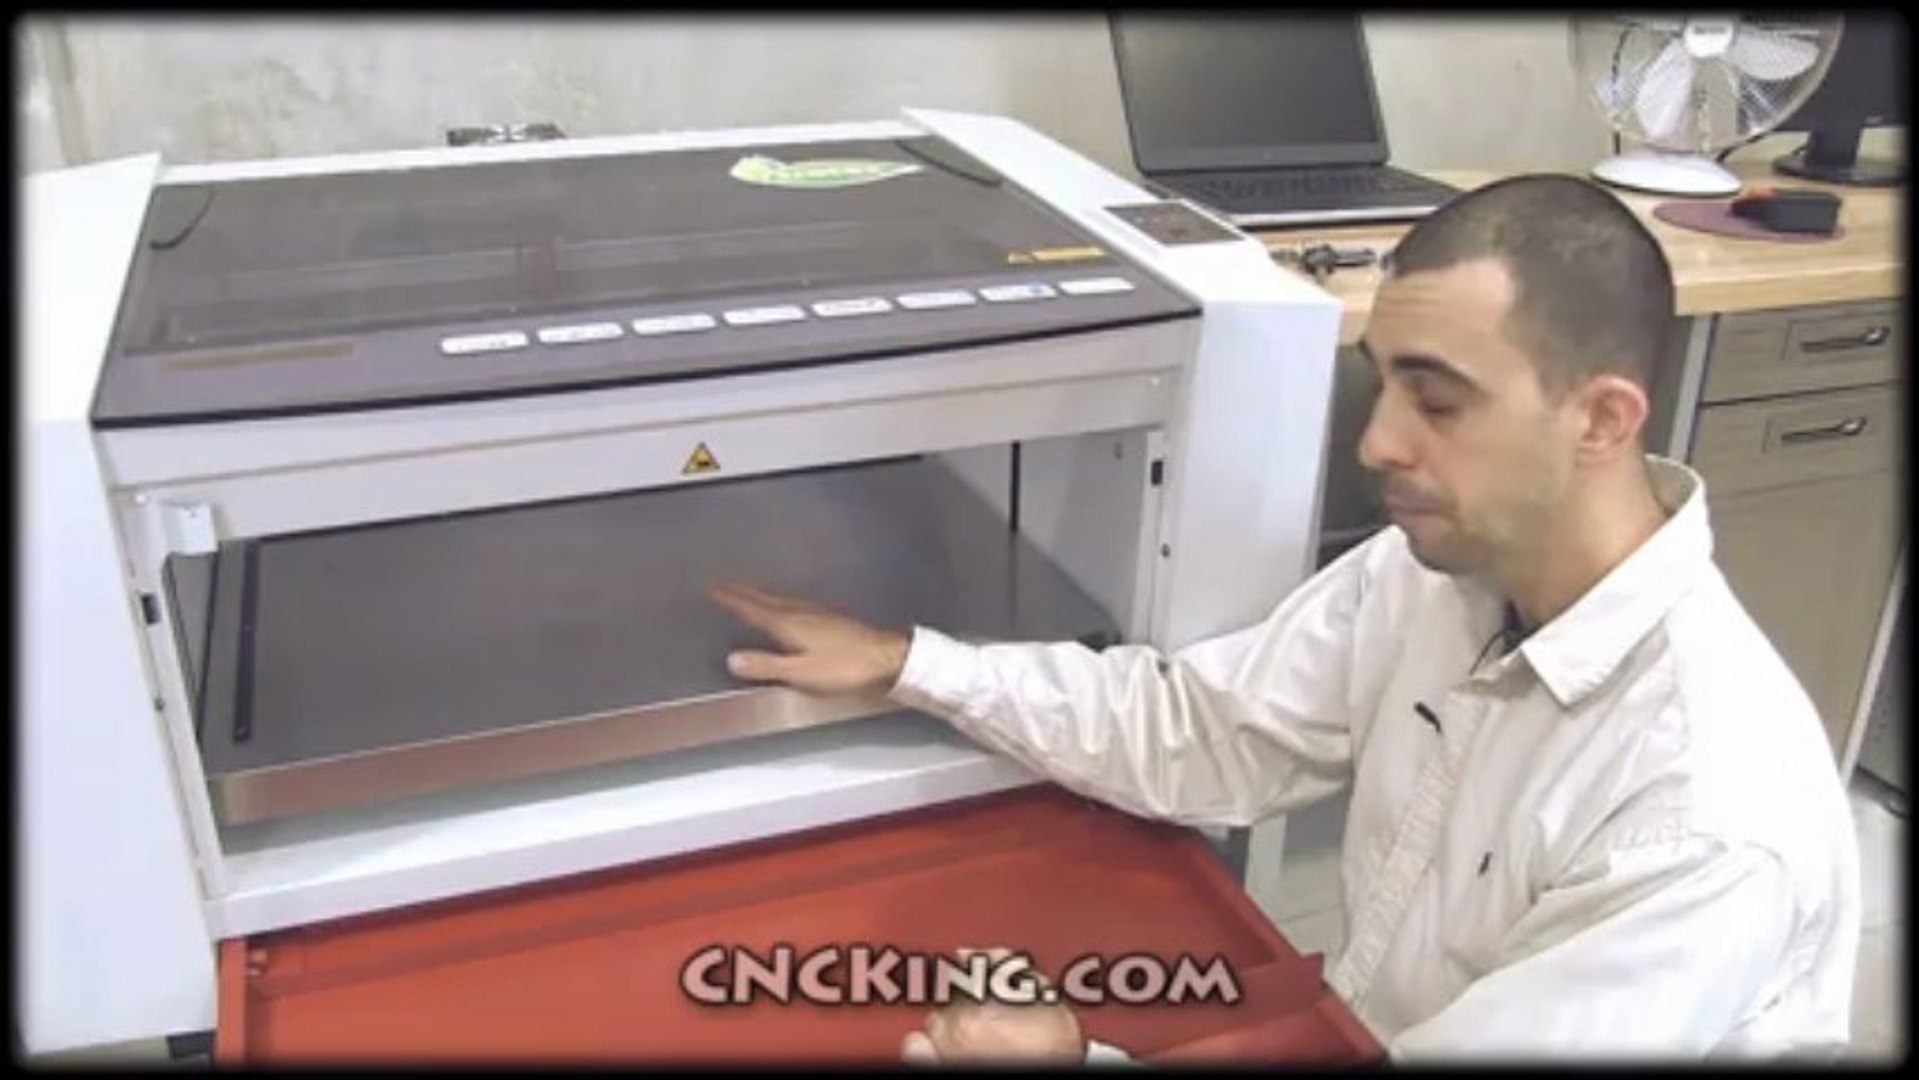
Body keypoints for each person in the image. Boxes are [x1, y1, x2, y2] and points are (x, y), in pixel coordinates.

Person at [709, 175, 1862, 1062]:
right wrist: (910, 662)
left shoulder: (1698, 821)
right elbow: (1206, 729)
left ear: (1601, 420)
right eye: (1381, 383)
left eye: (1437, 402)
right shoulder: (1436, 576)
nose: (1376, 443)